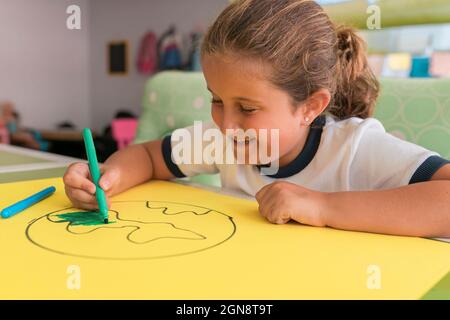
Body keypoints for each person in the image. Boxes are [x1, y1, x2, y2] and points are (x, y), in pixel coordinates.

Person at [63, 0, 450, 238]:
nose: (226, 124)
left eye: (247, 108)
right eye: (216, 99)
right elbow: (148, 157)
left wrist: (323, 207)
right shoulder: (222, 143)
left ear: (310, 106)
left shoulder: (355, 147)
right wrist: (107, 179)